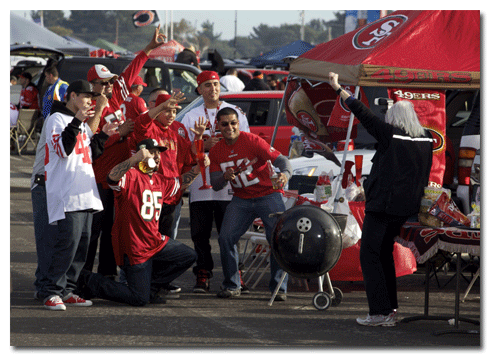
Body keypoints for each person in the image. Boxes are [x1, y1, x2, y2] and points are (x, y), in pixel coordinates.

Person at [327, 72, 433, 327]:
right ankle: (389, 309)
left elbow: (363, 113)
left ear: (394, 119)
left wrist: (338, 88)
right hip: (406, 207)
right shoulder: (427, 139)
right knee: (384, 255)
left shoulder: (391, 134)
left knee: (371, 256)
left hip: (383, 206)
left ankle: (379, 312)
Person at [77, 133, 209, 307]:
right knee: (138, 299)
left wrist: (198, 169)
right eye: (152, 152)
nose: (156, 157)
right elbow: (111, 177)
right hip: (134, 246)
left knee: (188, 255)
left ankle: (151, 288)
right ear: (141, 154)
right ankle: (90, 280)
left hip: (154, 242)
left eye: (158, 153)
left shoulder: (160, 180)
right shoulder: (131, 175)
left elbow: (180, 183)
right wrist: (133, 160)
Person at [84, 25, 166, 281]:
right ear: (92, 86)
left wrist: (148, 49)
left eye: (110, 81)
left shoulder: (118, 96)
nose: (109, 86)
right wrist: (119, 134)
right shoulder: (87, 109)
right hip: (96, 180)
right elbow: (87, 145)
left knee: (113, 230)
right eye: (102, 83)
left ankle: (106, 275)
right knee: (92, 232)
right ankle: (83, 278)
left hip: (120, 178)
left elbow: (131, 72)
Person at [38, 80, 116, 311]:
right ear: (72, 96)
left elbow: (88, 154)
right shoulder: (57, 119)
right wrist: (78, 120)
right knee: (66, 245)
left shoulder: (79, 123)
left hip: (86, 193)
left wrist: (103, 137)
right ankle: (51, 291)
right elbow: (63, 150)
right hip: (66, 193)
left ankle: (68, 289)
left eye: (92, 97)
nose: (90, 100)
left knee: (82, 246)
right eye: (85, 95)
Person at [209, 107, 292, 300]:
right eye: (225, 124)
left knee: (277, 239)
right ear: (218, 127)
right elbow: (215, 185)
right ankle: (232, 285)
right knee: (225, 238)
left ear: (239, 124)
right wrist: (224, 177)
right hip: (241, 198)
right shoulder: (215, 151)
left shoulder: (252, 141)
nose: (229, 127)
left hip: (268, 194)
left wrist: (285, 175)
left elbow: (283, 161)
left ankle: (279, 288)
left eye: (233, 123)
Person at [180, 71, 250, 293]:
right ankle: (203, 272)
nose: (213, 89)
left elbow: (246, 142)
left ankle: (235, 273)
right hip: (200, 184)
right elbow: (184, 151)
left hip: (228, 183)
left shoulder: (235, 112)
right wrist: (203, 144)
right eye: (208, 85)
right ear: (199, 89)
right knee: (200, 233)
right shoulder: (191, 116)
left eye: (216, 84)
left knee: (229, 232)